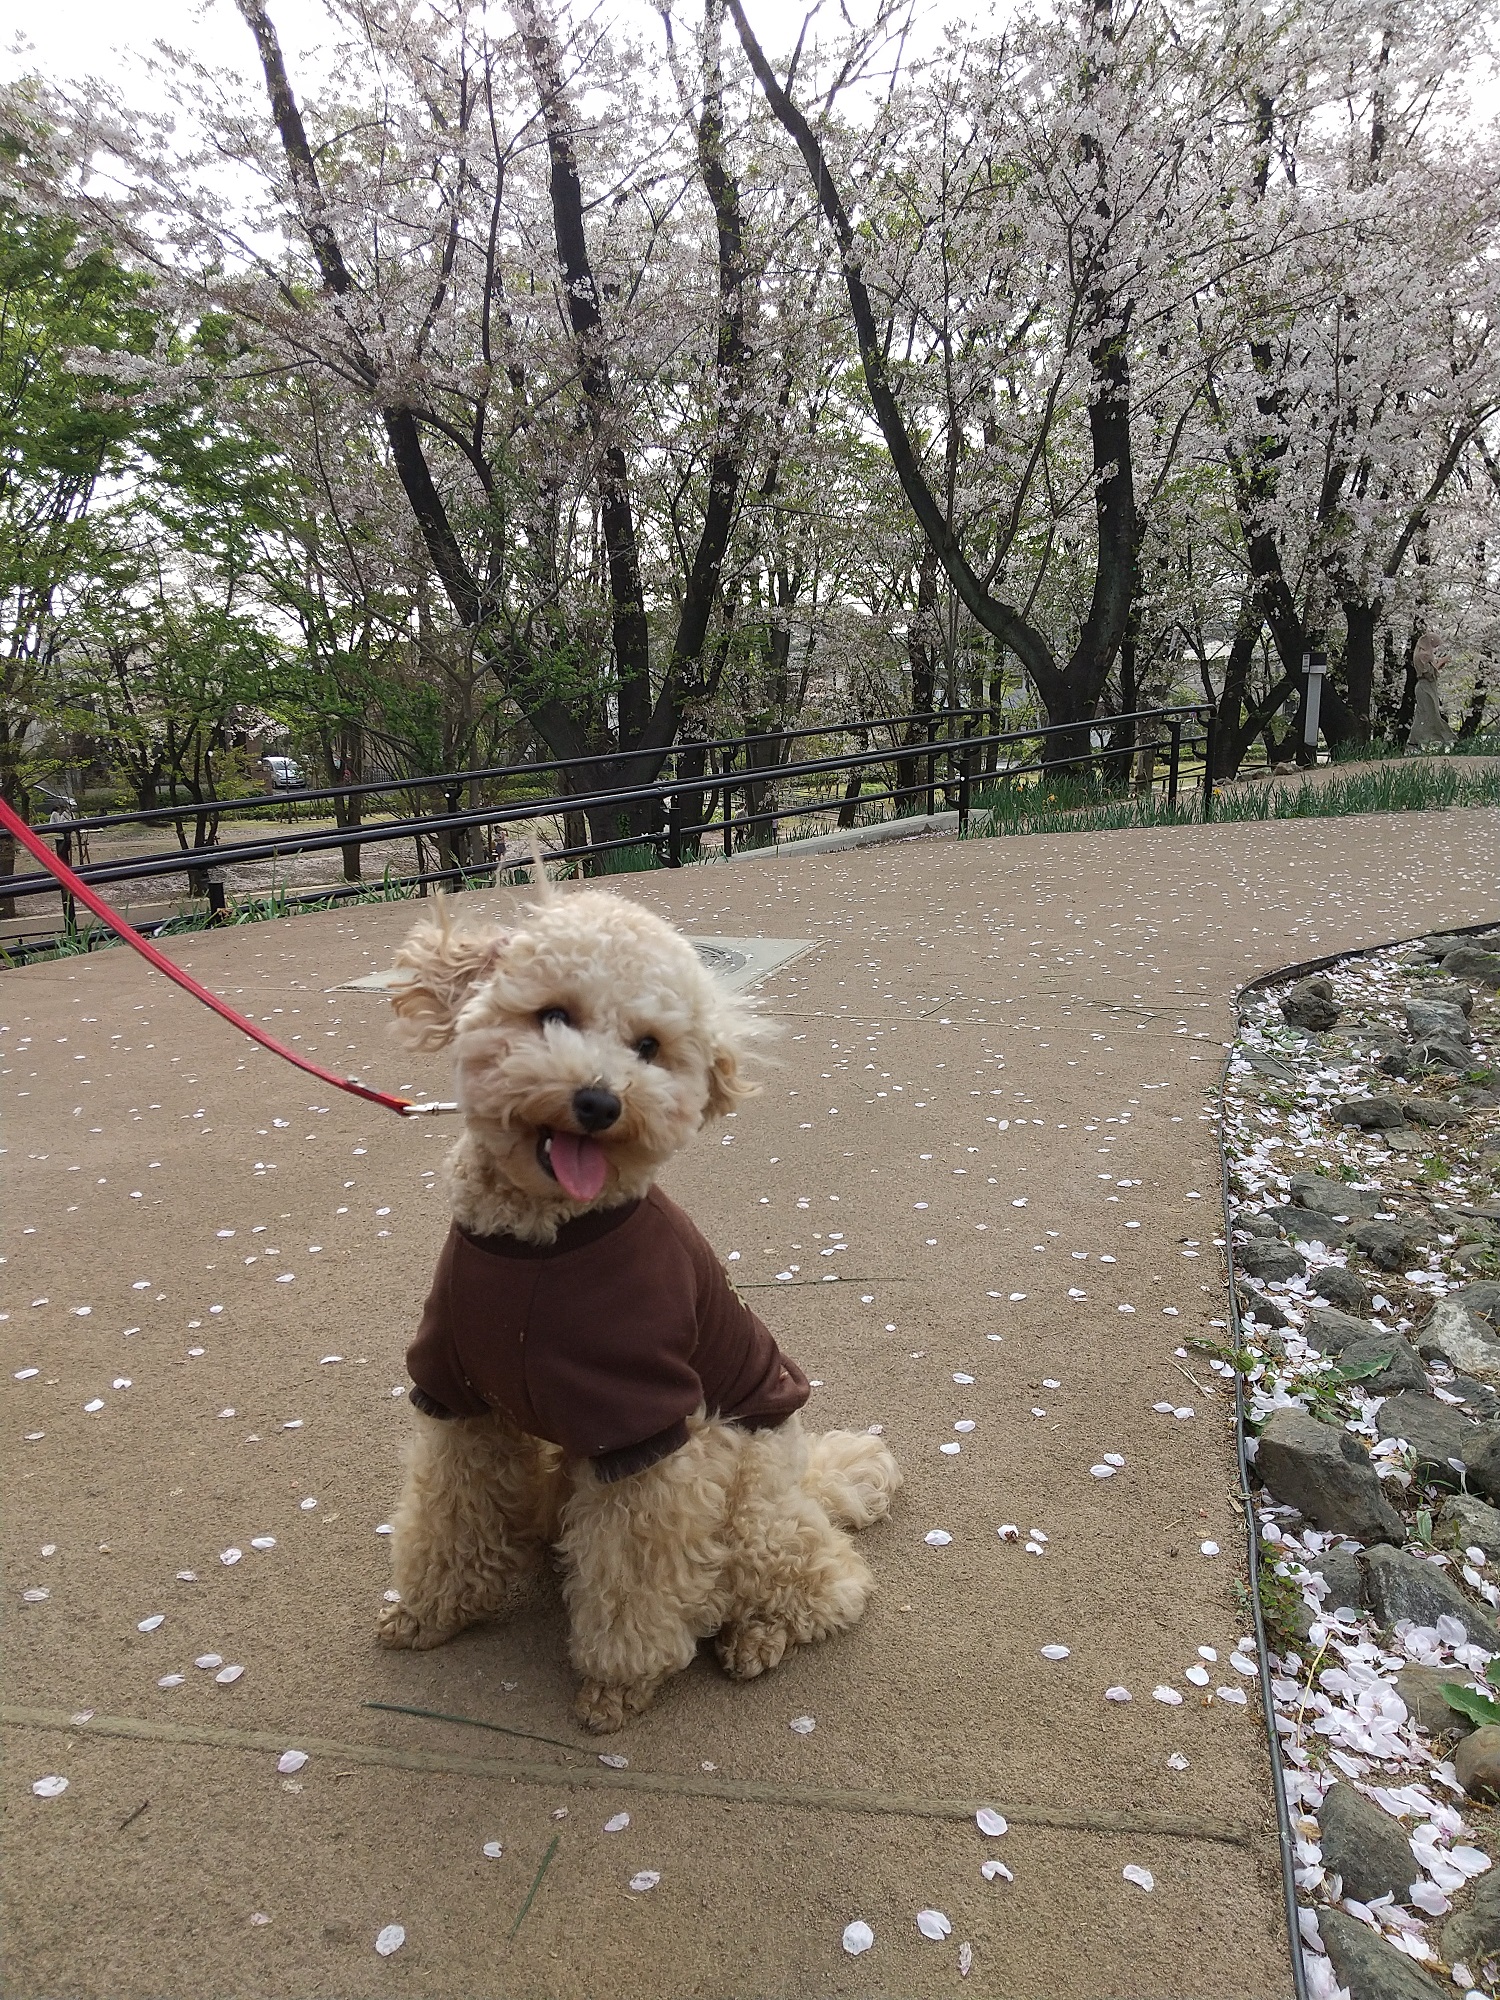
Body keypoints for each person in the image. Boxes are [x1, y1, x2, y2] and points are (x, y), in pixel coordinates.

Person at [1407, 632, 1455, 750]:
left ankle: (1415, 741)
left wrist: (1439, 664)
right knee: (1430, 713)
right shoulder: (1424, 655)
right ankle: (1448, 737)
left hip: (1427, 687)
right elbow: (1428, 673)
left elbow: (1432, 671)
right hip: (1425, 687)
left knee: (1423, 714)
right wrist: (1440, 662)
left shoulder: (1423, 655)